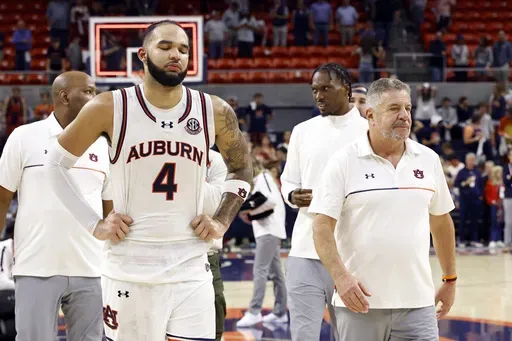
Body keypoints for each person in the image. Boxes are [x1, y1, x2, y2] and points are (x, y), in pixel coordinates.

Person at [46, 20, 252, 341]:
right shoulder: (110, 106)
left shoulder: (214, 110)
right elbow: (54, 165)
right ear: (142, 54)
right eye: (166, 47)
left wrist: (222, 220)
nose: (177, 55)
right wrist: (94, 224)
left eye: (184, 49)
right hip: (130, 269)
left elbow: (242, 170)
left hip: (191, 266)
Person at [310, 78, 457, 340]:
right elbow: (321, 226)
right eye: (393, 109)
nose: (404, 116)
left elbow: (441, 221)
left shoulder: (428, 159)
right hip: (359, 305)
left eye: (408, 108)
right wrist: (341, 278)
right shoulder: (343, 162)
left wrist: (450, 279)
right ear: (370, 115)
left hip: (418, 304)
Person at [0, 71, 112, 341]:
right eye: (88, 91)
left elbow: (110, 210)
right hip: (36, 267)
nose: (95, 98)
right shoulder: (24, 137)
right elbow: (2, 198)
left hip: (92, 270)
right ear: (65, 96)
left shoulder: (105, 146)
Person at [280, 63, 368, 341]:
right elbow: (288, 180)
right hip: (305, 249)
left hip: (353, 253)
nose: (319, 96)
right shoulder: (302, 131)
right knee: (303, 335)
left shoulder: (369, 132)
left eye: (326, 89)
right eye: (315, 90)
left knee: (352, 335)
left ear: (347, 89)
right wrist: (292, 196)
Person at [236, 156, 287, 327]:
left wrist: (251, 213)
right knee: (277, 273)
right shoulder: (264, 179)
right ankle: (280, 313)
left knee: (260, 270)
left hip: (269, 230)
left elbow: (270, 201)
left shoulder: (262, 177)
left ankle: (254, 311)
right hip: (271, 230)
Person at [203, 149, 228, 341]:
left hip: (208, 254)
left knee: (215, 319)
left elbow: (213, 204)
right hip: (167, 251)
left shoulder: (214, 159)